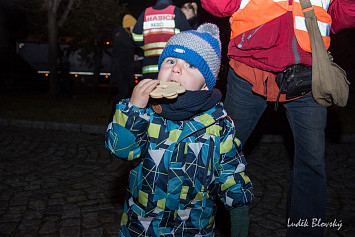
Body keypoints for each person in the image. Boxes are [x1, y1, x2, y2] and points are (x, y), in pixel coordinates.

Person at [201, 0, 355, 236]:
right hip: (249, 72)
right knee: (221, 152)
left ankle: (307, 232)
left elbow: (341, 16)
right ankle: (198, 223)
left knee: (312, 162)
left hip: (308, 77)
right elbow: (219, 5)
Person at [105, 23, 254, 236]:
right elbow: (121, 149)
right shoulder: (145, 112)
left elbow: (231, 172)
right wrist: (132, 110)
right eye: (171, 61)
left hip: (194, 229)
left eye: (191, 65)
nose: (176, 68)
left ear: (206, 84)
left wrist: (239, 214)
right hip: (142, 227)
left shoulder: (219, 124)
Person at [132, 0, 191, 80]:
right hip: (170, 65)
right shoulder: (175, 11)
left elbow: (136, 36)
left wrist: (146, 46)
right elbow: (187, 36)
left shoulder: (146, 12)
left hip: (149, 67)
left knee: (149, 90)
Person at [108, 14, 139, 123]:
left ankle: (117, 118)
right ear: (129, 26)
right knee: (122, 94)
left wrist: (132, 56)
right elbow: (132, 45)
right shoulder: (121, 34)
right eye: (133, 26)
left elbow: (125, 50)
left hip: (122, 71)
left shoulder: (122, 35)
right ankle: (113, 118)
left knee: (123, 95)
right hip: (121, 72)